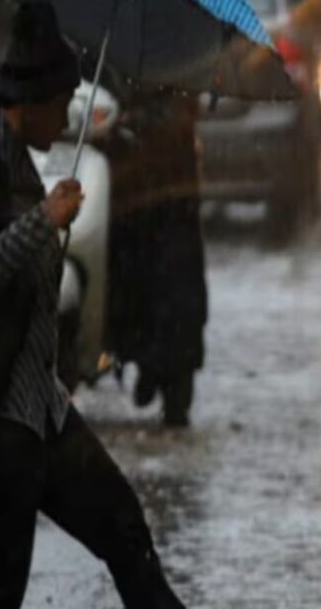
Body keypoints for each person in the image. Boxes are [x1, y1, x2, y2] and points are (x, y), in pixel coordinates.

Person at [0, 2, 185, 609]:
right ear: (30, 99)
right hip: (1, 423)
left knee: (126, 533)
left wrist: (49, 233)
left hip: (42, 410)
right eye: (59, 104)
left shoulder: (20, 161)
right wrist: (41, 221)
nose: (64, 118)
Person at [106, 90, 208, 427]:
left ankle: (165, 370)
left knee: (173, 288)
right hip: (124, 189)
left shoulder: (179, 53)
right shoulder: (100, 48)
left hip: (169, 192)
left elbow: (185, 106)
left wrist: (144, 123)